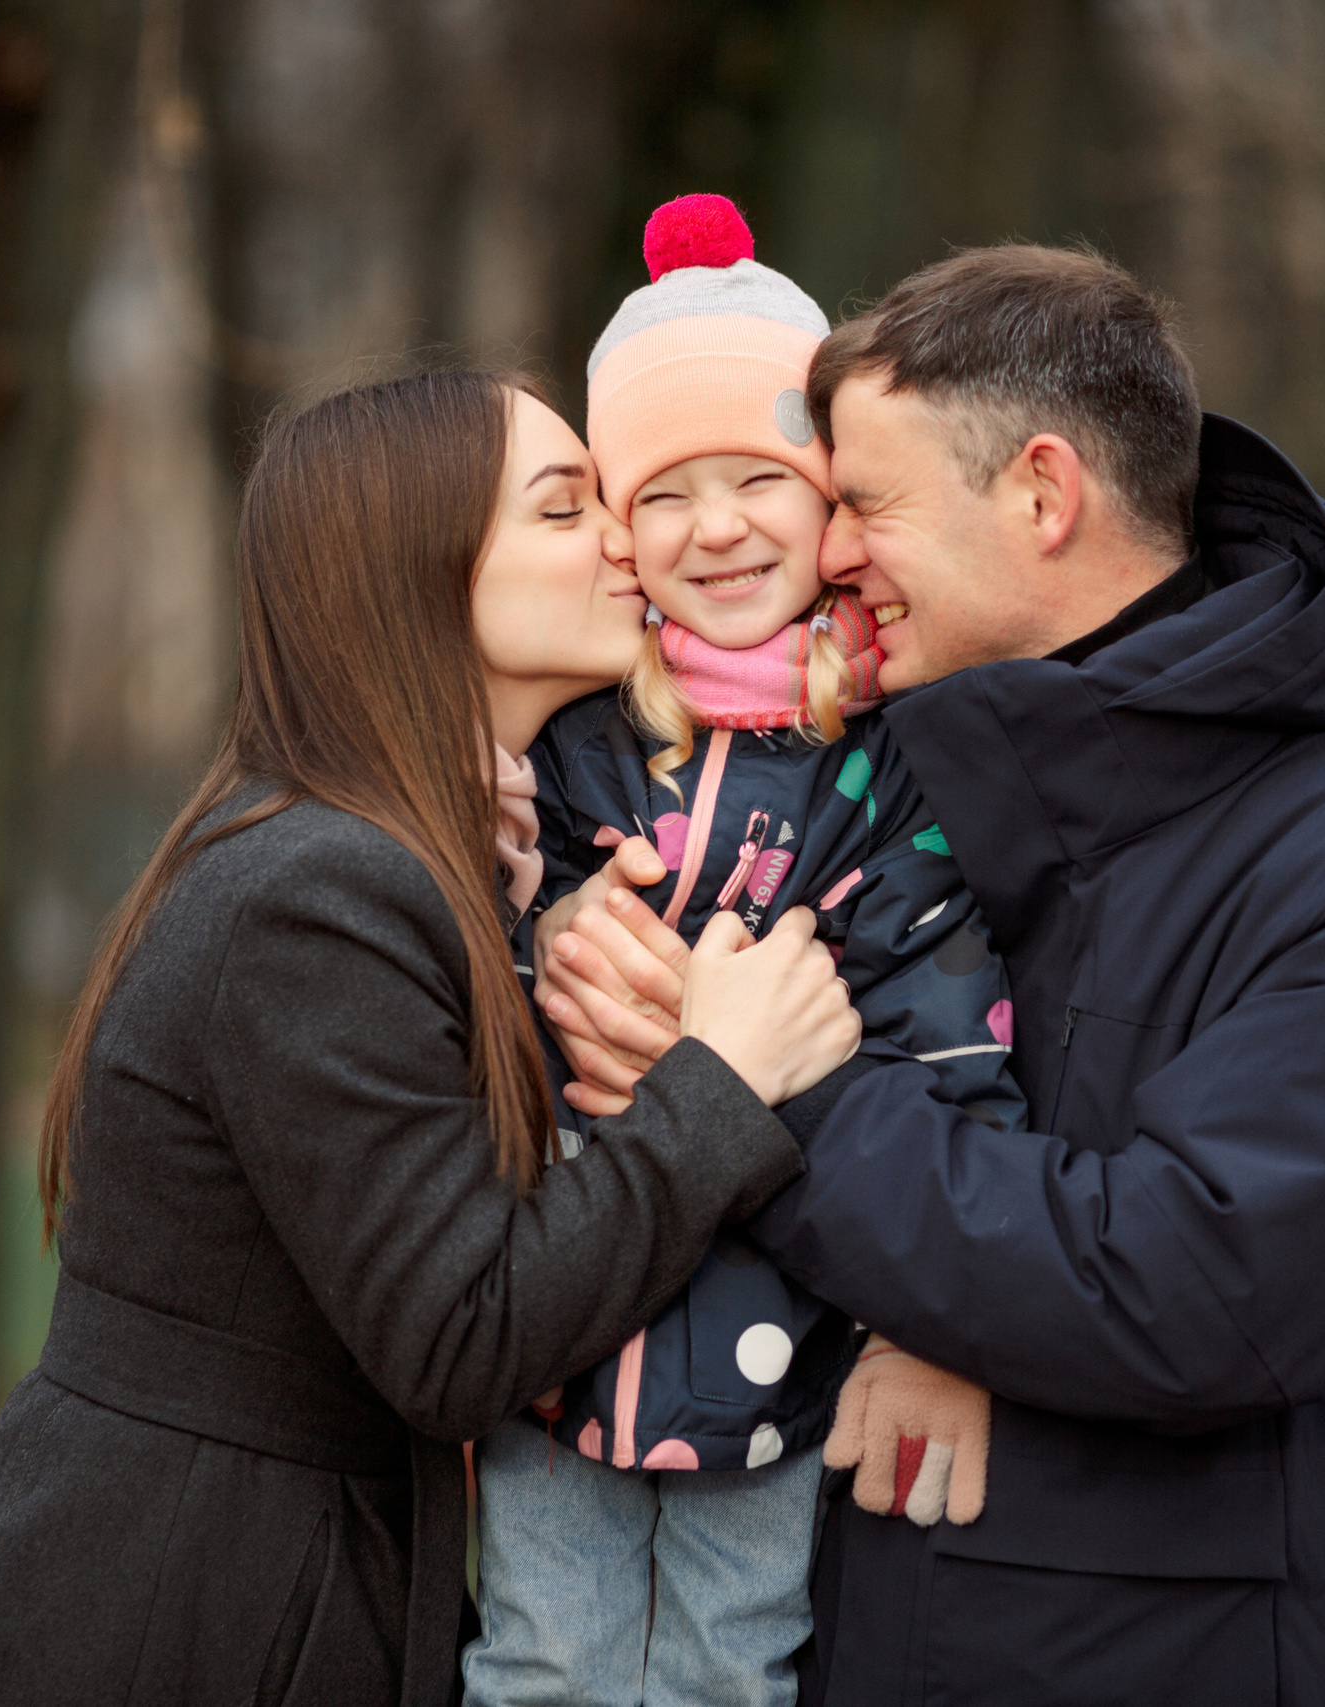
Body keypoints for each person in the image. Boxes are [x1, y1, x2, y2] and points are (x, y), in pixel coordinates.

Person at [537, 247, 1325, 1704]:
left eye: (863, 502)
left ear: (1044, 497)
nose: (833, 552)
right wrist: (574, 932)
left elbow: (1201, 1288)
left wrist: (758, 1105)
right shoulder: (915, 788)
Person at [0, 371, 861, 1707]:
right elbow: (460, 1335)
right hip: (172, 1614)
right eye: (568, 508)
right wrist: (722, 1081)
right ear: (423, 572)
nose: (631, 537)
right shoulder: (317, 891)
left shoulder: (433, 860)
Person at [464, 196, 1022, 1707]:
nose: (715, 527)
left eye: (759, 481)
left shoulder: (882, 764)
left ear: (827, 502)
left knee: (732, 1666)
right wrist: (549, 933)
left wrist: (941, 1330)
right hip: (563, 1323)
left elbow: (954, 1031)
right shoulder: (580, 741)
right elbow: (469, 951)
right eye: (666, 494)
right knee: (540, 1660)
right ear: (621, 529)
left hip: (785, 1331)